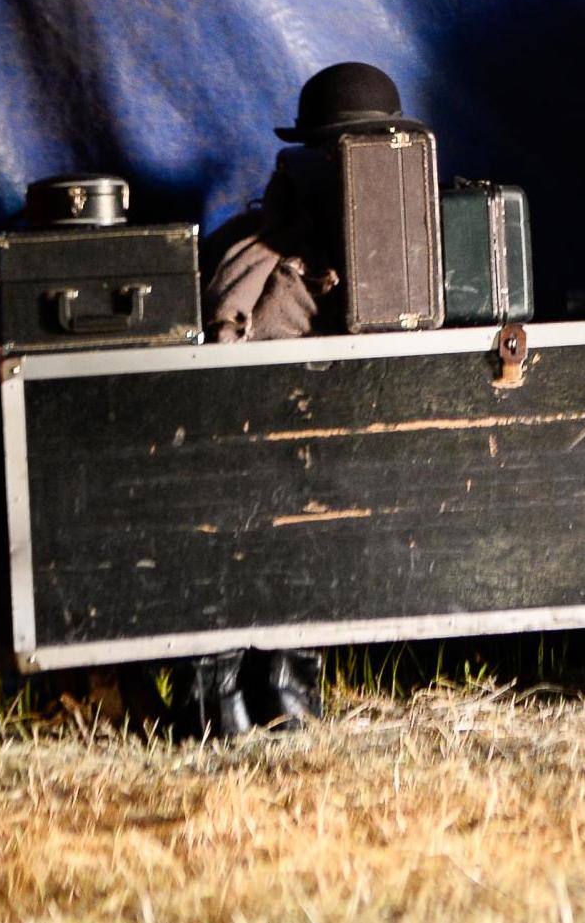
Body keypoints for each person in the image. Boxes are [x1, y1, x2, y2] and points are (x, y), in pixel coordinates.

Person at [181, 61, 429, 736]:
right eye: (331, 155)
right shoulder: (252, 244)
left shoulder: (413, 239)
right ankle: (220, 674)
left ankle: (289, 667)